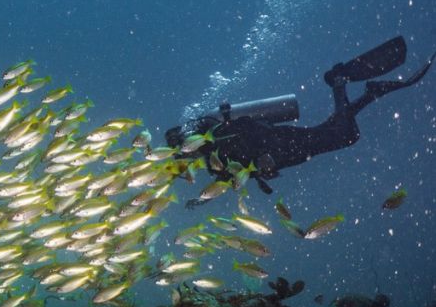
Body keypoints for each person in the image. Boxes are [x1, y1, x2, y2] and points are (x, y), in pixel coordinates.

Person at [166, 36, 433, 195]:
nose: (187, 159)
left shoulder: (217, 135)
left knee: (345, 135)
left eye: (183, 153)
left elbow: (249, 132)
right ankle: (367, 93)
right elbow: (237, 170)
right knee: (336, 132)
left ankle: (341, 81)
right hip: (285, 152)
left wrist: (263, 156)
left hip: (281, 144)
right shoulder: (212, 153)